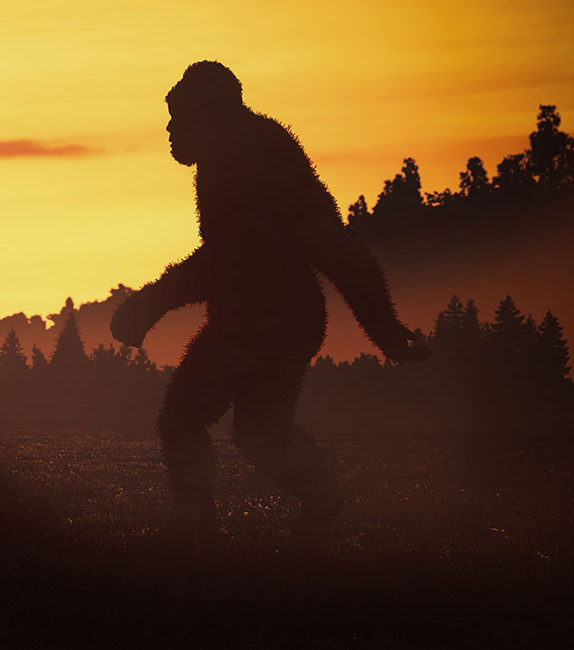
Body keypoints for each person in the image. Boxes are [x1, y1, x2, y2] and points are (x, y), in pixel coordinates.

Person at [111, 61, 429, 552]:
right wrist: (384, 329)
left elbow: (324, 247)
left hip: (270, 320)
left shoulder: (249, 160)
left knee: (191, 421)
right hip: (262, 317)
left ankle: (199, 529)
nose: (170, 130)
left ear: (209, 116)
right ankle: (255, 516)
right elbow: (239, 256)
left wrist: (151, 303)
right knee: (248, 433)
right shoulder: (237, 155)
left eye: (178, 119)